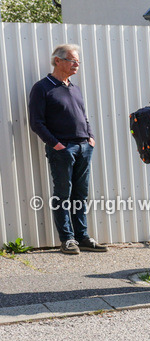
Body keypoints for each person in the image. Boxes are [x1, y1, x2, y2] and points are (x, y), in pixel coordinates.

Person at [28, 44, 107, 255]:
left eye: (78, 61)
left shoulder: (74, 88)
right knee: (63, 194)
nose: (77, 64)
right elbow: (36, 122)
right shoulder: (42, 88)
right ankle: (67, 239)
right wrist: (57, 145)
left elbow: (83, 115)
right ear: (58, 61)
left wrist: (90, 137)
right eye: (73, 60)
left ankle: (82, 237)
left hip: (84, 147)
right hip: (63, 149)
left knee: (81, 194)